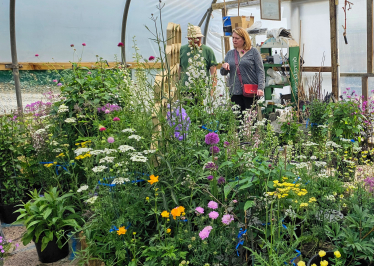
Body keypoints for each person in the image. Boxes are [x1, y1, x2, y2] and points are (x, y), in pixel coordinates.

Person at [220, 27, 265, 113]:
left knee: (250, 120)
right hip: (235, 91)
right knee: (237, 120)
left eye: (237, 38)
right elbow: (223, 73)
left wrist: (260, 88)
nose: (234, 40)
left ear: (244, 39)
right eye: (233, 38)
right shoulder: (230, 54)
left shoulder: (253, 52)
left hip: (250, 91)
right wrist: (224, 67)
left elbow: (260, 71)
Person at [179, 25, 217, 99]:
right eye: (193, 38)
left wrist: (212, 90)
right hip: (185, 90)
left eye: (198, 38)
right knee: (186, 110)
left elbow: (213, 73)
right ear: (189, 38)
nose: (196, 40)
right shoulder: (182, 50)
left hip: (202, 90)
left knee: (201, 109)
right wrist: (177, 87)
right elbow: (179, 69)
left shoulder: (208, 51)